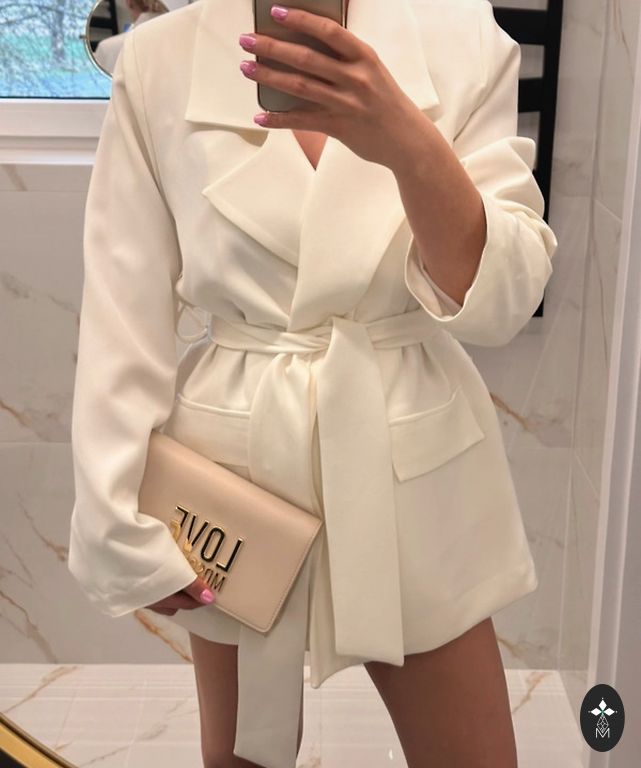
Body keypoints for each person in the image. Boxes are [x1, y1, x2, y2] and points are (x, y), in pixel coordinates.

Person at [67, 0, 559, 767]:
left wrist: (404, 137)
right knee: (242, 758)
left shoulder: (461, 37)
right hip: (236, 472)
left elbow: (501, 301)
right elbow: (121, 311)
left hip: (412, 452)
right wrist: (115, 521)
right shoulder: (159, 59)